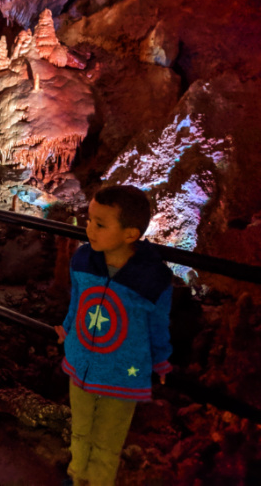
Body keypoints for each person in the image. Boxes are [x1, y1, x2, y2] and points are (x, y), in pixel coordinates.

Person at [55, 185, 173, 486]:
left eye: (100, 224)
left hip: (123, 371)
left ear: (130, 234)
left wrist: (161, 361)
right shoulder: (83, 259)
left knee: (108, 441)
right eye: (89, 220)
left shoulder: (152, 278)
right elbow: (77, 301)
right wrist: (67, 329)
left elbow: (158, 325)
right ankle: (76, 476)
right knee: (80, 430)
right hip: (81, 360)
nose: (89, 229)